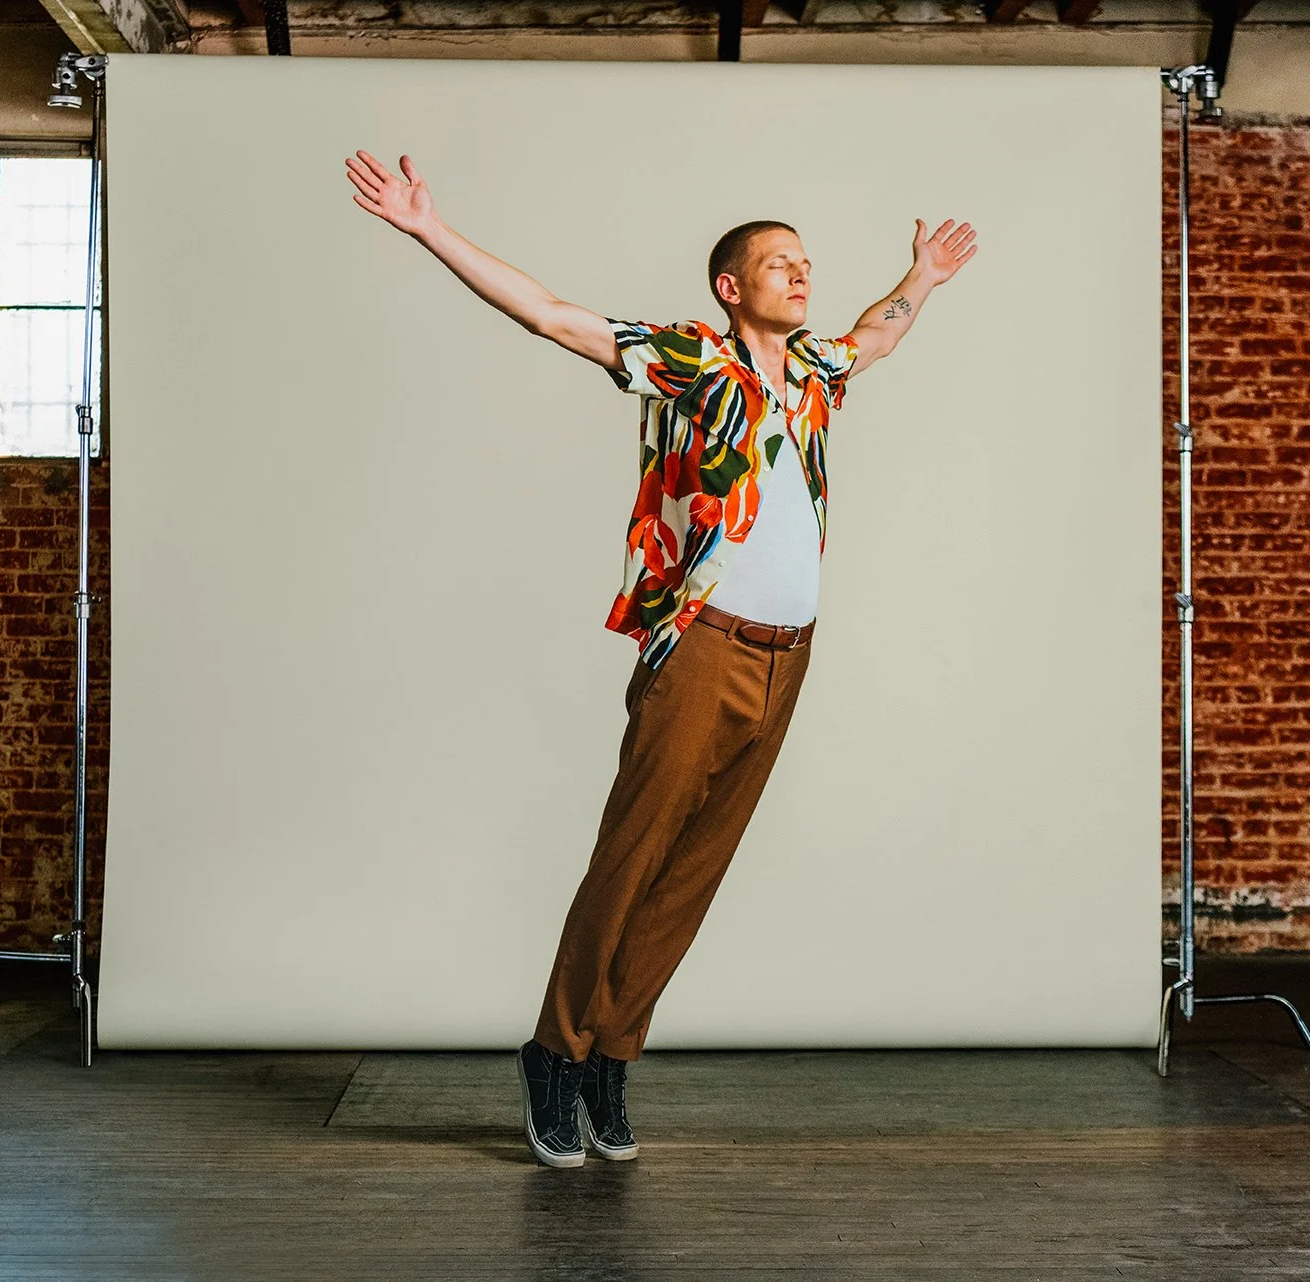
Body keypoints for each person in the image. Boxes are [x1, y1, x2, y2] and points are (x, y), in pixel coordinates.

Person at [344, 148, 977, 1168]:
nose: (800, 272)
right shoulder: (694, 361)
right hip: (706, 647)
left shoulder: (815, 371)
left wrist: (923, 278)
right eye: (778, 263)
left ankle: (611, 1055)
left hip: (788, 657)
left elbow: (878, 335)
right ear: (731, 287)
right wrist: (429, 228)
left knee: (693, 873)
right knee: (634, 855)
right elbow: (553, 316)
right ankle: (554, 1050)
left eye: (805, 261)